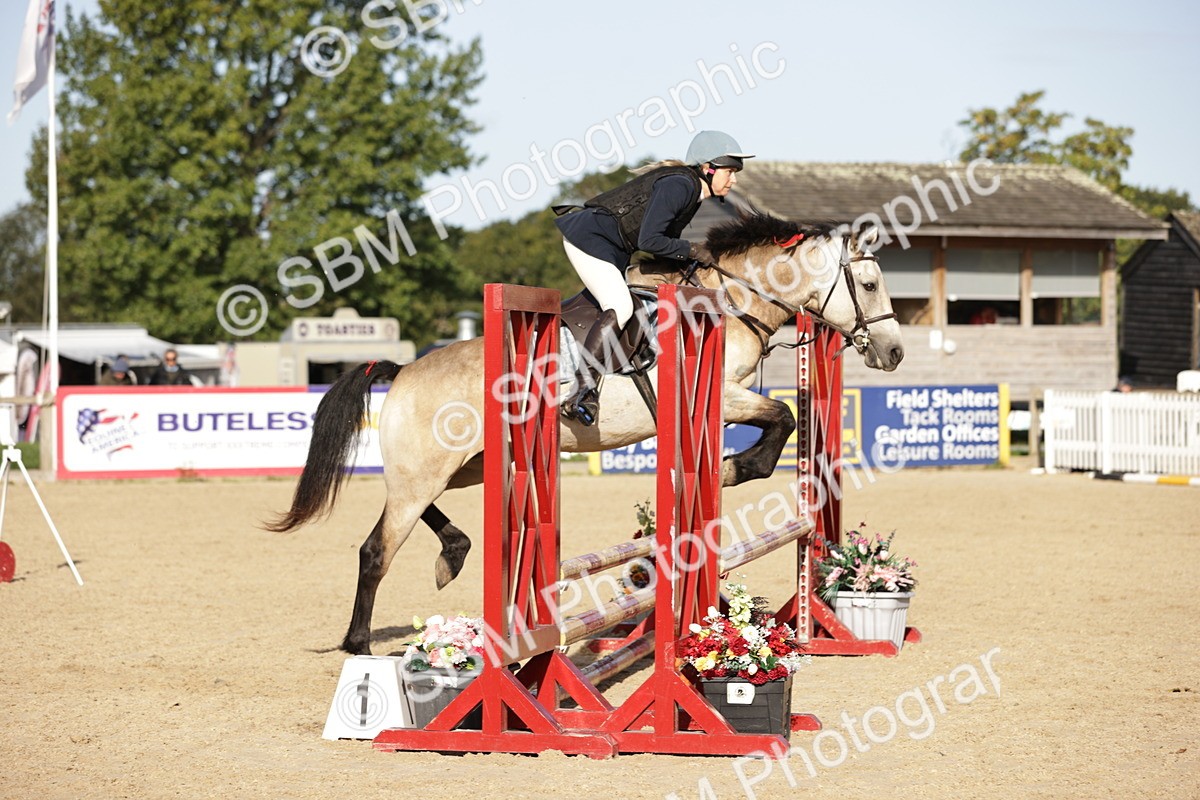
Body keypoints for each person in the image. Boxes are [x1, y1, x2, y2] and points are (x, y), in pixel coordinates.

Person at [553, 130, 753, 425]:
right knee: (620, 307)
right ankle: (580, 390)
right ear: (708, 168)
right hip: (589, 240)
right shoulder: (680, 186)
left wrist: (692, 260)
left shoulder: (691, 193)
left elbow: (664, 246)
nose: (733, 180)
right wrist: (692, 250)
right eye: (730, 171)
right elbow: (650, 240)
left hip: (613, 249)